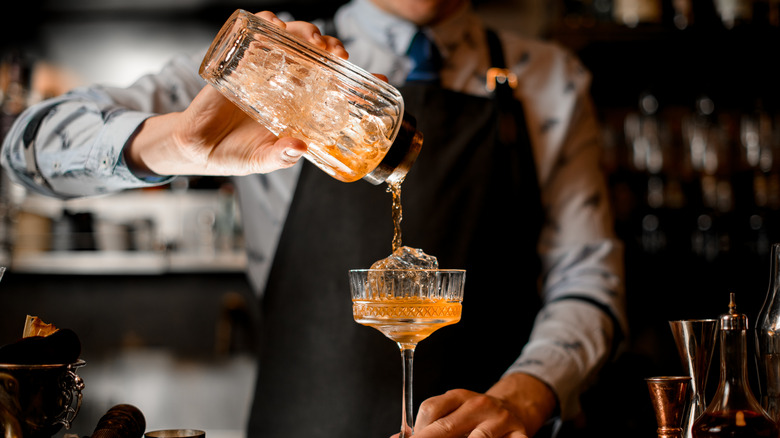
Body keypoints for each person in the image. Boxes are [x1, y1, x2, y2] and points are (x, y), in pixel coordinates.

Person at [1, 0, 627, 437]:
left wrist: (522, 399)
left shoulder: (551, 81)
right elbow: (27, 149)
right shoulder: (270, 65)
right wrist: (178, 143)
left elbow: (589, 285)